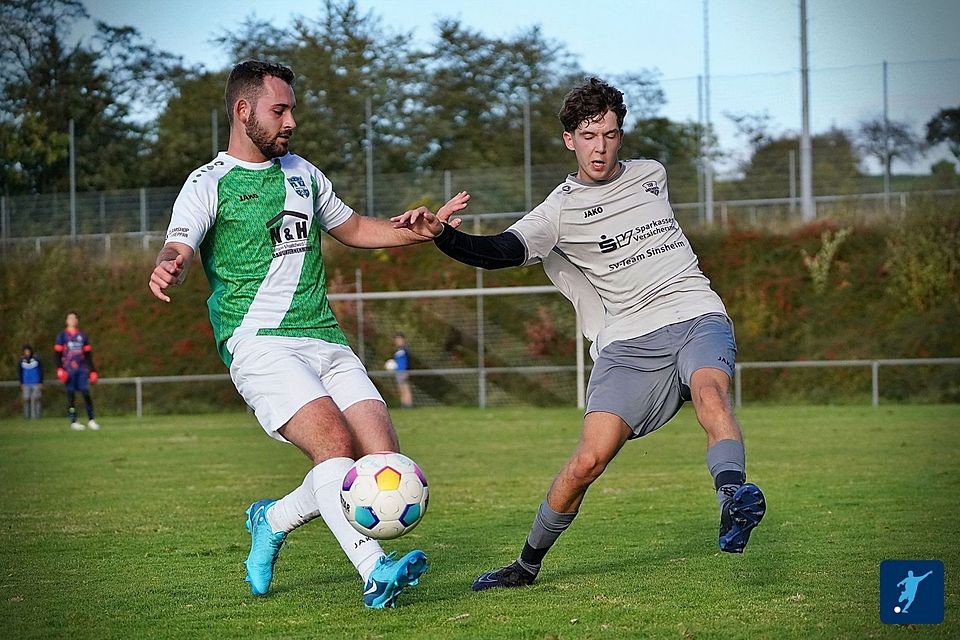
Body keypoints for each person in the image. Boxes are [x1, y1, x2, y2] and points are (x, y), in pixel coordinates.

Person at [392, 77, 766, 591]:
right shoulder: (559, 211)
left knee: (710, 391)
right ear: (570, 139)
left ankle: (733, 499)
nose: (601, 146)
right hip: (628, 341)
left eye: (611, 134)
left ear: (621, 135)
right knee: (587, 461)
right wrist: (444, 236)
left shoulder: (650, 174)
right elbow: (501, 252)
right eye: (590, 135)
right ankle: (525, 567)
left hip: (694, 312)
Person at [147, 60, 466, 609]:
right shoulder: (208, 182)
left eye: (292, 108)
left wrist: (422, 232)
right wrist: (169, 262)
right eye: (280, 109)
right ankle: (375, 572)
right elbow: (179, 240)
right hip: (258, 341)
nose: (291, 119)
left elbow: (356, 229)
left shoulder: (304, 173)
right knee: (332, 446)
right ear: (244, 111)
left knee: (380, 460)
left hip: (324, 337)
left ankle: (271, 519)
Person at [54, 312, 101, 431]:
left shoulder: (82, 336)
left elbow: (88, 355)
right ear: (66, 321)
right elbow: (57, 354)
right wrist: (59, 369)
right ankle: (73, 421)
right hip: (68, 370)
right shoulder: (62, 336)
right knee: (71, 396)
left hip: (81, 370)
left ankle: (91, 420)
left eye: (74, 318)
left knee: (86, 393)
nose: (72, 320)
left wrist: (92, 371)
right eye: (70, 318)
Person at [18, 344, 43, 419]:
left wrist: (40, 381)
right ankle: (26, 416)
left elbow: (41, 371)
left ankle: (38, 416)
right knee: (26, 399)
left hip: (36, 382)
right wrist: (21, 382)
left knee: (37, 399)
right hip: (26, 383)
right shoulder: (21, 360)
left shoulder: (37, 359)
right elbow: (19, 372)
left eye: (28, 351)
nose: (27, 353)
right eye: (25, 351)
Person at [391, 333, 413, 409]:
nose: (398, 341)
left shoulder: (405, 349)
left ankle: (409, 404)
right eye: (397, 339)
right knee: (400, 389)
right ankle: (403, 404)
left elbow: (408, 361)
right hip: (398, 372)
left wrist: (407, 371)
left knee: (406, 387)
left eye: (399, 339)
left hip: (404, 372)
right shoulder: (397, 350)